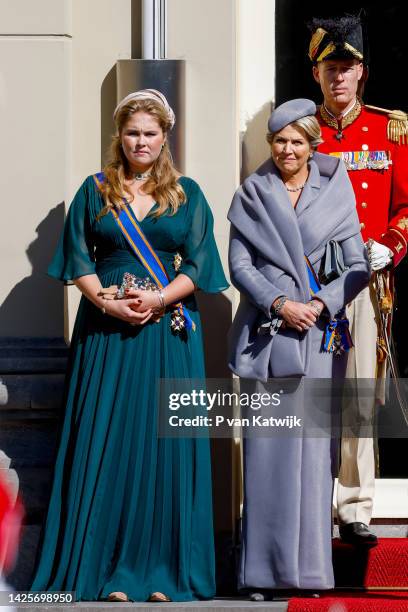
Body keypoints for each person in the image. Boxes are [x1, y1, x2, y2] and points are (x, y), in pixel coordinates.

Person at [31, 89, 228, 602]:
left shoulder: (187, 194)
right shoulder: (95, 191)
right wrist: (106, 304)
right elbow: (78, 260)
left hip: (168, 333)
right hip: (106, 334)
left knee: (165, 450)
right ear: (119, 136)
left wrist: (159, 298)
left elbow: (203, 267)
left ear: (165, 137)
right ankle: (104, 571)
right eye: (132, 132)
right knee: (108, 443)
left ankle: (163, 573)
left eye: (150, 132)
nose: (141, 141)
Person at [228, 98, 370, 598]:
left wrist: (319, 302)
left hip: (319, 338)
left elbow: (357, 263)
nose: (287, 149)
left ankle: (310, 572)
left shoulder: (337, 190)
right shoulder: (252, 192)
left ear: (314, 144)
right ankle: (261, 574)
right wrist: (281, 302)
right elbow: (239, 266)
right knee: (267, 456)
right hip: (269, 334)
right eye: (279, 141)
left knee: (314, 456)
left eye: (297, 141)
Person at [309, 14, 408, 547]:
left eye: (347, 67)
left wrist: (389, 246)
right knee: (310, 392)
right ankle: (308, 501)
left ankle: (354, 507)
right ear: (317, 74)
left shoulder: (388, 129)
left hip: (366, 281)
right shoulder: (302, 133)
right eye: (330, 67)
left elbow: (407, 207)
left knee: (356, 396)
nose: (339, 77)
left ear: (362, 72)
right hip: (311, 284)